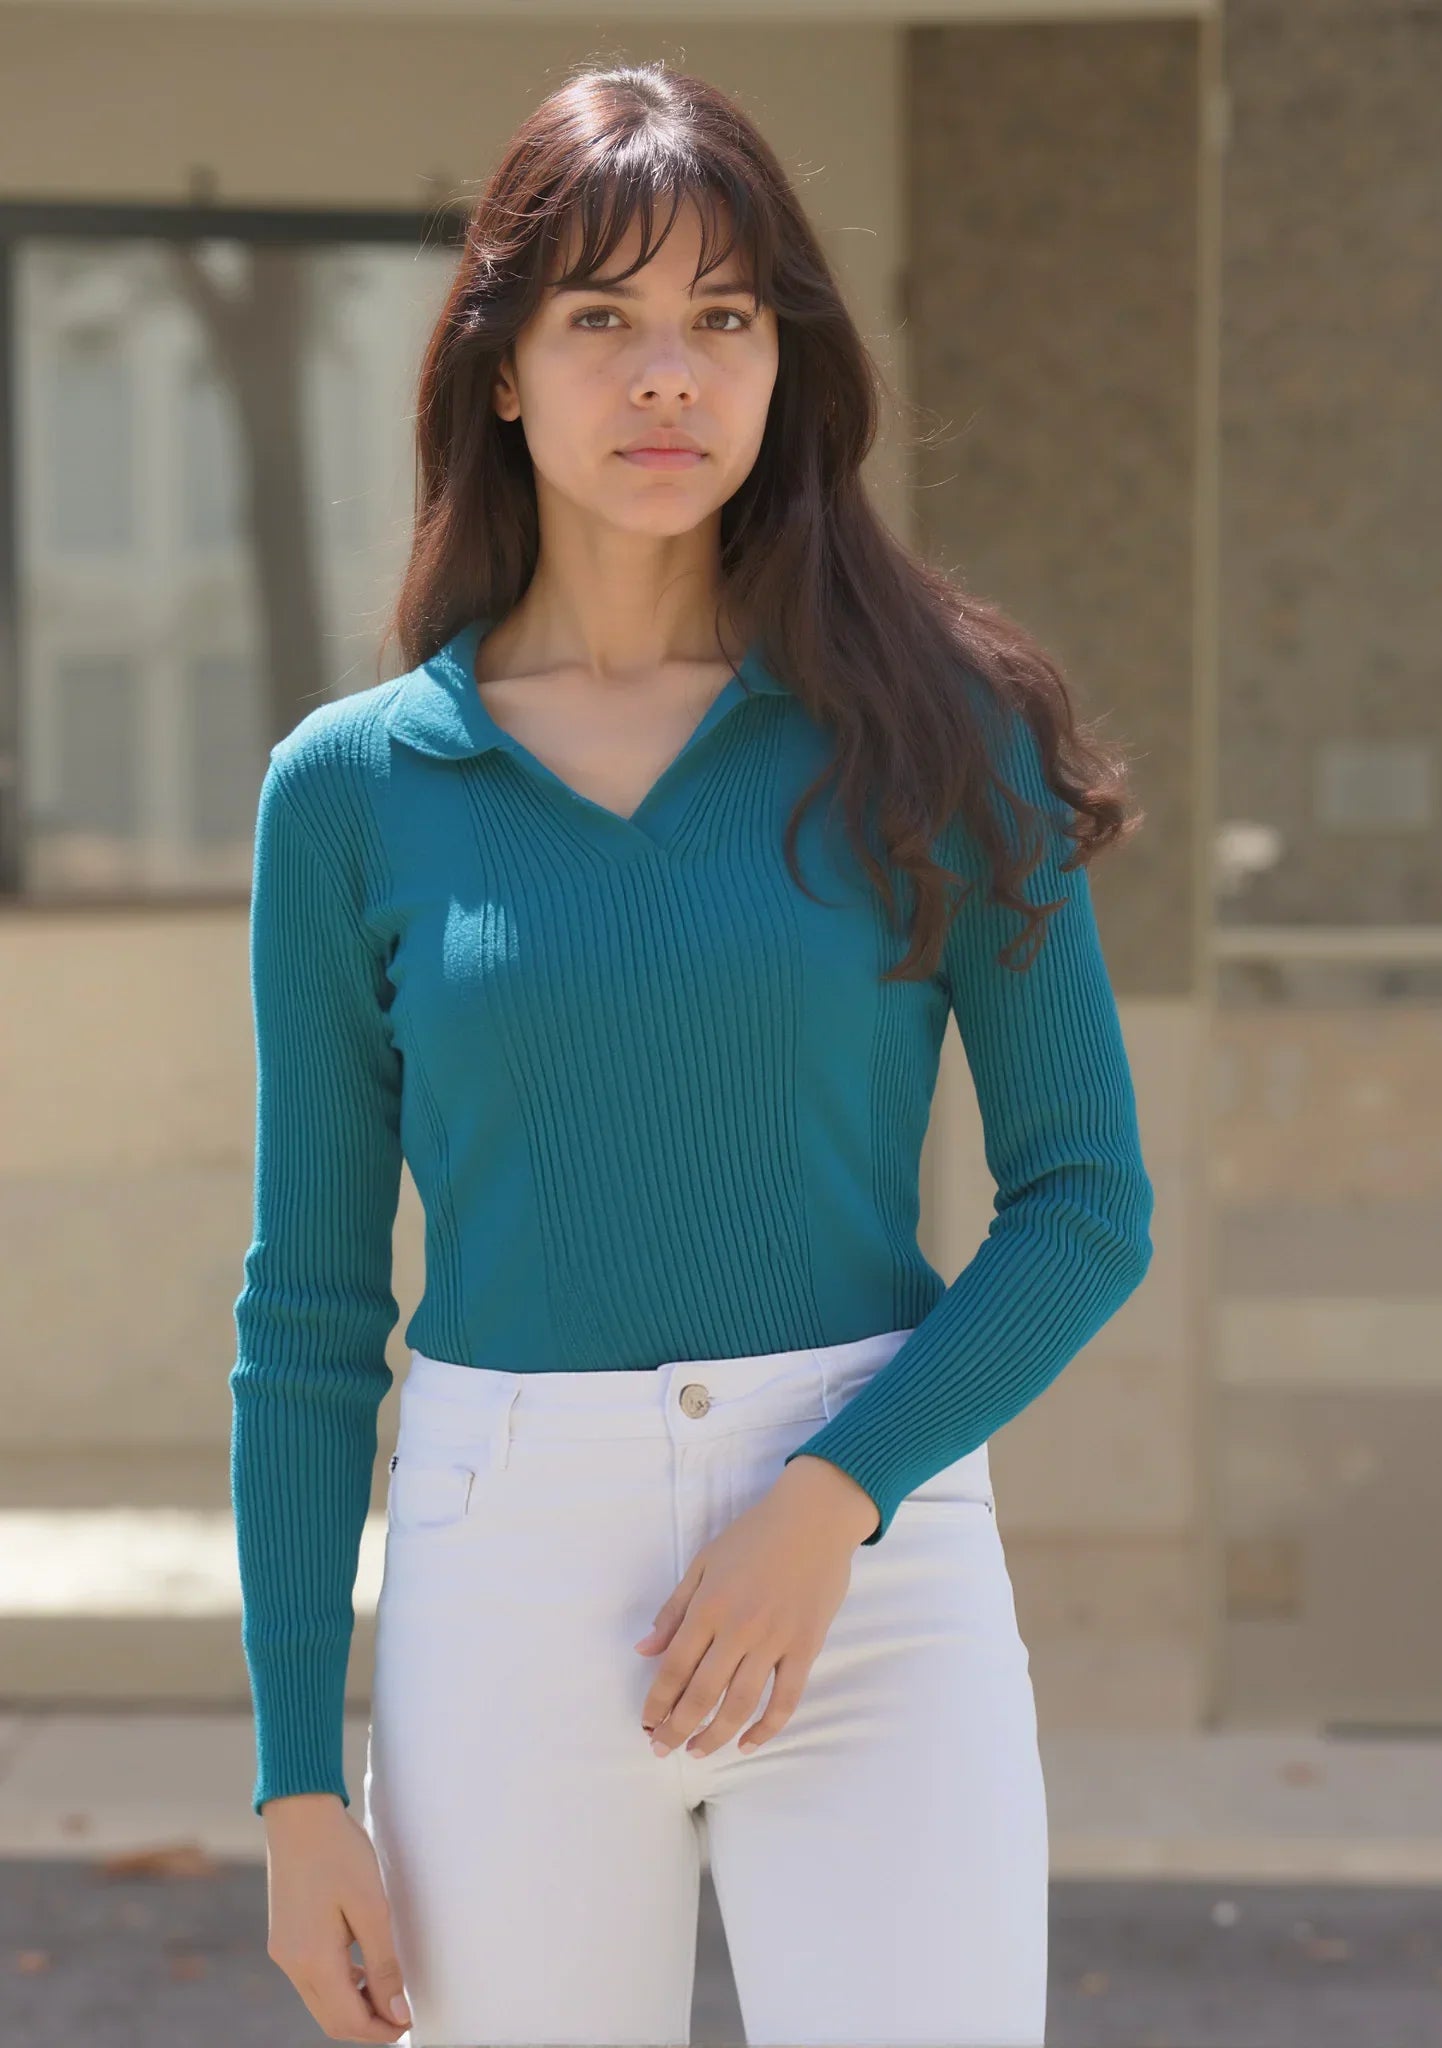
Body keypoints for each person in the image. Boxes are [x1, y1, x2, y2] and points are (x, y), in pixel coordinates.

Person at [230, 58, 1155, 2048]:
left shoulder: (936, 730)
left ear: (784, 365)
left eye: (722, 321)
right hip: (505, 1581)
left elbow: (1087, 1202)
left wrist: (833, 1496)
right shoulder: (354, 792)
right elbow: (309, 1312)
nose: (668, 376)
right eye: (604, 319)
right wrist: (298, 1781)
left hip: (875, 1571)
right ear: (500, 369)